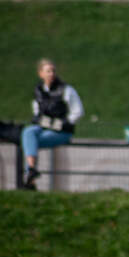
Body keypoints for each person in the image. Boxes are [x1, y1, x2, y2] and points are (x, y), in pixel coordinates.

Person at [20, 59, 84, 191]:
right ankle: (31, 171)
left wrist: (62, 123)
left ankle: (30, 179)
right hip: (44, 127)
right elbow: (36, 112)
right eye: (48, 71)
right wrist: (45, 122)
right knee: (28, 132)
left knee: (30, 142)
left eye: (53, 71)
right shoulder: (38, 90)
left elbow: (78, 111)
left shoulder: (66, 90)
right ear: (40, 74)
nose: (51, 74)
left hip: (61, 131)